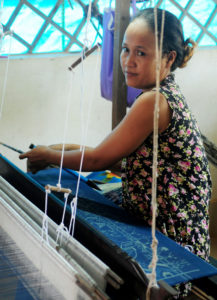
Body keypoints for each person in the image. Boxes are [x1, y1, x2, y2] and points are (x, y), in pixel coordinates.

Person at [19, 8, 211, 297]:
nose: (128, 62)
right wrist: (60, 149)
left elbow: (100, 159)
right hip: (174, 226)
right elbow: (127, 162)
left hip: (171, 243)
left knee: (83, 231)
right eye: (125, 49)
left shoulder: (154, 101)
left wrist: (48, 156)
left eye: (141, 53)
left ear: (169, 58)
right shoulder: (164, 94)